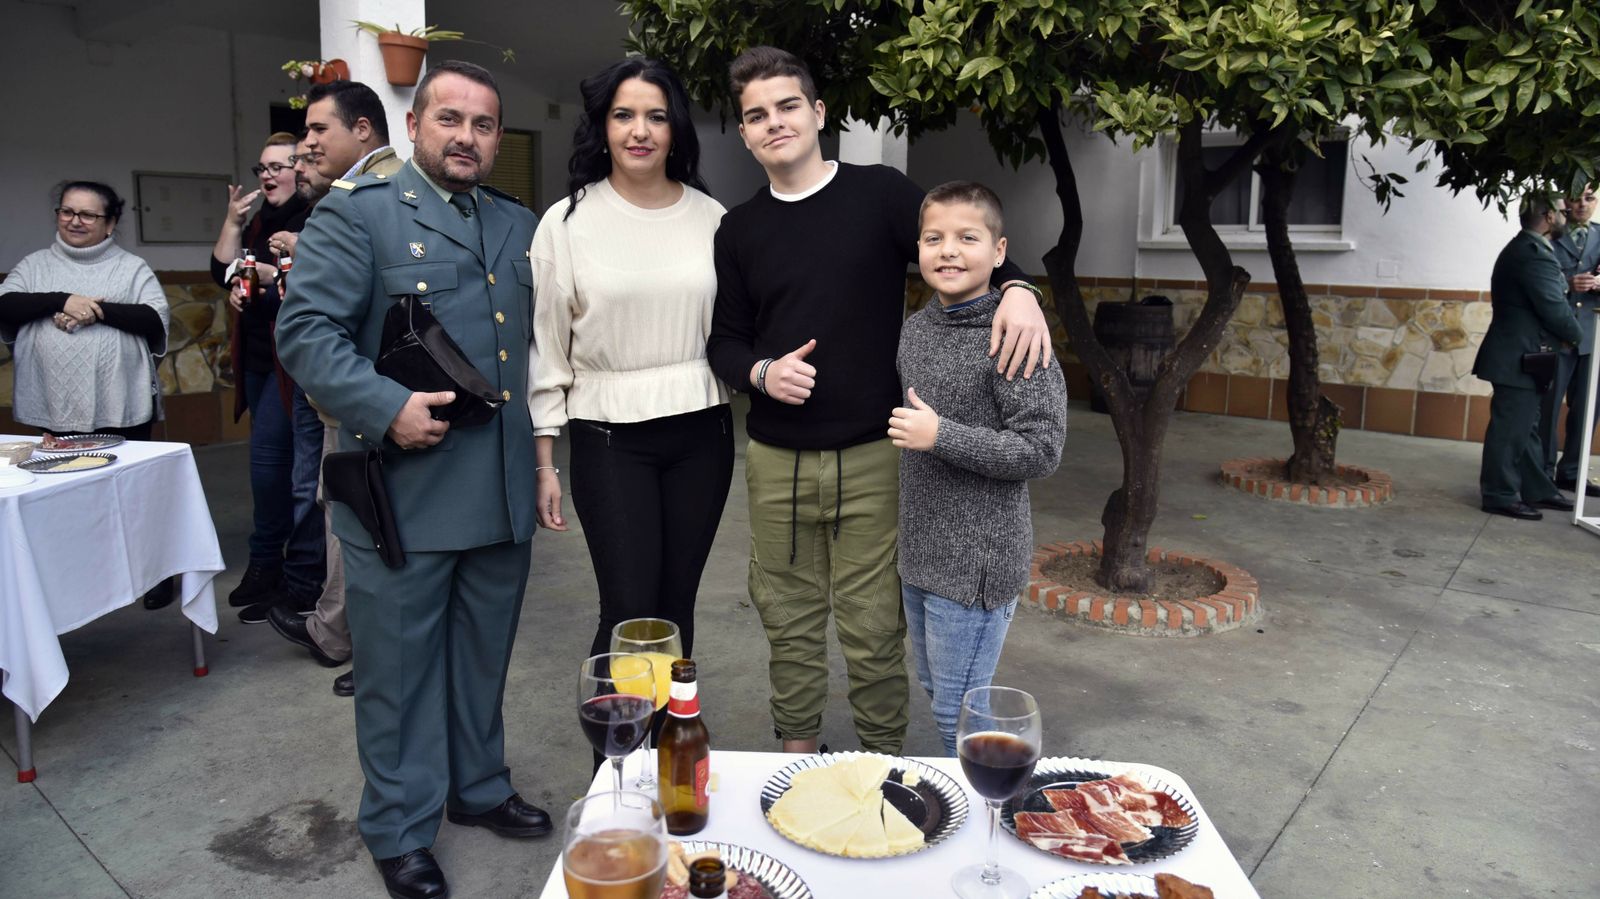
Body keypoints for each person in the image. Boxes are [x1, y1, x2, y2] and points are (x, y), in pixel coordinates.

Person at [706, 46, 1052, 755]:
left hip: (875, 452)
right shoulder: (738, 229)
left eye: (788, 106)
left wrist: (1020, 289)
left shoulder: (880, 193)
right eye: (757, 115)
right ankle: (797, 753)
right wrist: (762, 373)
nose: (775, 123)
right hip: (777, 457)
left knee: (873, 623)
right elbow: (726, 342)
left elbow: (959, 240)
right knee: (787, 617)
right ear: (744, 133)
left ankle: (880, 761)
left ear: (817, 112)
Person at [276, 61, 549, 899]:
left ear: (497, 141)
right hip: (405, 493)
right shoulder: (359, 215)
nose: (467, 137)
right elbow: (306, 332)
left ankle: (478, 786)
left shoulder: (517, 223)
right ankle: (397, 826)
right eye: (450, 119)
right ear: (414, 127)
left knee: (482, 658)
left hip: (499, 493)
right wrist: (385, 403)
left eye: (483, 125)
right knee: (396, 676)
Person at [529, 58, 733, 670]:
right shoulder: (566, 222)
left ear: (675, 130)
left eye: (656, 117)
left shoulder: (712, 218)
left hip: (703, 431)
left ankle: (671, 731)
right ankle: (617, 736)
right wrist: (545, 460)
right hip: (608, 437)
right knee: (628, 610)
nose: (639, 131)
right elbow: (546, 348)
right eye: (623, 115)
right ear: (603, 126)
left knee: (676, 608)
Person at [889, 182, 1066, 755]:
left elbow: (1041, 448)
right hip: (921, 552)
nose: (948, 251)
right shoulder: (917, 328)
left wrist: (941, 436)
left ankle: (991, 806)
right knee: (940, 693)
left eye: (968, 238)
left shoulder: (1015, 333)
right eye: (933, 238)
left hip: (977, 563)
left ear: (999, 251)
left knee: (958, 715)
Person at [266, 82, 404, 700]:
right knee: (355, 519)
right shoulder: (355, 194)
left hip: (368, 401)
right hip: (370, 398)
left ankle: (354, 643)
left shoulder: (364, 198)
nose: (308, 144)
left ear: (364, 129)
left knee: (363, 525)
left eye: (320, 129)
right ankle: (342, 634)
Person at [0, 181, 173, 609]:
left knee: (135, 495)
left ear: (110, 223)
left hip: (122, 402)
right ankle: (80, 576)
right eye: (67, 211)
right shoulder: (35, 265)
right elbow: (6, 305)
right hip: (53, 404)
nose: (75, 221)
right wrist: (61, 299)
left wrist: (94, 311)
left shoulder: (132, 268)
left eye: (88, 214)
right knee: (63, 499)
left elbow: (153, 319)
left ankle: (155, 573)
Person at [211, 132, 317, 624]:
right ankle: (275, 566)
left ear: (300, 169)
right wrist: (234, 222)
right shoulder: (258, 222)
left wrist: (268, 276)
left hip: (288, 364)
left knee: (275, 470)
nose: (269, 175)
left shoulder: (311, 218)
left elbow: (304, 281)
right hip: (256, 359)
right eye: (262, 168)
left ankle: (274, 567)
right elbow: (221, 270)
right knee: (276, 470)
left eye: (279, 165)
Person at [1473, 193, 1584, 520]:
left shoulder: (1529, 249)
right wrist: (1578, 337)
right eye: (1562, 211)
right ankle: (1499, 494)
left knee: (1527, 427)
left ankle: (1537, 489)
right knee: (1510, 430)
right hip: (1517, 356)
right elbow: (1553, 307)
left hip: (1525, 354)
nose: (1567, 215)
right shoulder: (1533, 255)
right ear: (1549, 216)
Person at [1546, 185, 1600, 497]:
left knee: (1588, 409)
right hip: (1558, 335)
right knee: (1549, 406)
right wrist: (1567, 283)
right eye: (1576, 199)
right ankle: (1542, 473)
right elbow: (1538, 278)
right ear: (1565, 201)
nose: (1582, 205)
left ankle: (1572, 473)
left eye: (1589, 199)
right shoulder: (1551, 233)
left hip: (1592, 336)